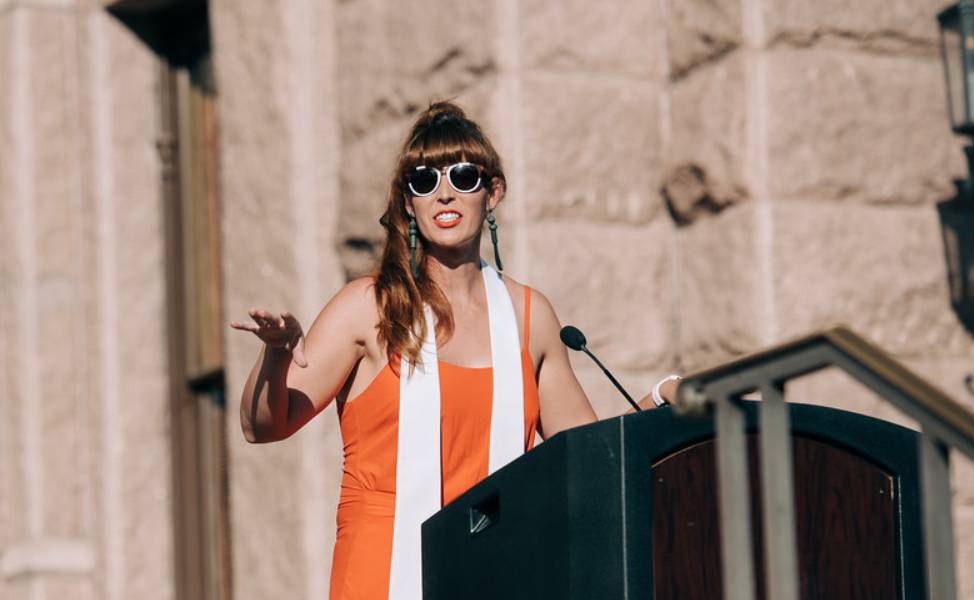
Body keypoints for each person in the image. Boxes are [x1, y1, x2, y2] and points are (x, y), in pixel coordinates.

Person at [230, 101, 681, 600]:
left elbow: (592, 460)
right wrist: (275, 355)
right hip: (383, 579)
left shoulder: (530, 318)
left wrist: (660, 403)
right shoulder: (370, 306)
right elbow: (261, 426)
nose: (444, 192)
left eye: (464, 176)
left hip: (496, 574)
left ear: (493, 192)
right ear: (408, 203)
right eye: (423, 181)